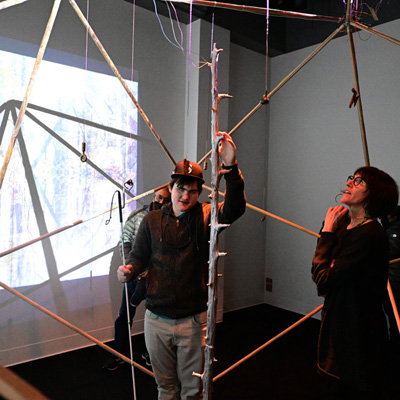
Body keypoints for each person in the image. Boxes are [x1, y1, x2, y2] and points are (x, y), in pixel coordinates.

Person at [118, 134, 246, 400]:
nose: (185, 196)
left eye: (192, 191)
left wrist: (231, 169)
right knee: (165, 388)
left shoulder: (207, 215)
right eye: (180, 189)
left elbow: (234, 208)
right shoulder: (152, 220)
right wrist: (129, 269)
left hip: (191, 320)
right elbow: (139, 254)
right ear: (171, 187)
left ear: (199, 193)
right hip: (155, 319)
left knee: (192, 391)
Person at [311, 166, 398, 399]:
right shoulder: (343, 224)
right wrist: (330, 233)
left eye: (359, 181)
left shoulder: (370, 234)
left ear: (374, 194)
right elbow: (322, 282)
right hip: (337, 323)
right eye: (352, 178)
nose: (349, 183)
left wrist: (327, 233)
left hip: (357, 332)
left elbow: (323, 279)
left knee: (351, 387)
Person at [103, 187, 171, 371]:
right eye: (159, 198)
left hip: (156, 278)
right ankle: (118, 354)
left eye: (166, 199)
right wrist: (132, 267)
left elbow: (168, 251)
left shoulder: (169, 218)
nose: (162, 202)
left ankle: (151, 354)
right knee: (124, 315)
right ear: (153, 196)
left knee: (157, 318)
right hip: (135, 274)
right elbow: (125, 242)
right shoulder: (137, 215)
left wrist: (153, 271)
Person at [381, 205, 400, 353]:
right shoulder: (389, 228)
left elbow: (391, 251)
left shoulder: (395, 229)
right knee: (392, 318)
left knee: (395, 319)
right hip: (391, 283)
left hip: (395, 284)